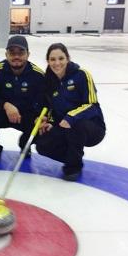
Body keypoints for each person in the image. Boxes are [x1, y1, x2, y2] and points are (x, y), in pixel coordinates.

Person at [36, 43, 106, 181]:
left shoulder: (82, 75)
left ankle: (73, 167)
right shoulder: (49, 81)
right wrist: (49, 122)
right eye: (52, 59)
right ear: (48, 61)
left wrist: (71, 117)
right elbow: (52, 108)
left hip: (91, 128)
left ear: (68, 58)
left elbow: (92, 105)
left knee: (76, 126)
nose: (57, 63)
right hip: (65, 126)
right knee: (42, 145)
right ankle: (73, 156)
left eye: (61, 58)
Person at [0, 35, 45, 164]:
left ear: (28, 54)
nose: (16, 56)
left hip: (26, 115)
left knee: (42, 123)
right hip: (3, 113)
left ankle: (25, 144)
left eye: (21, 53)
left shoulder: (38, 74)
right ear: (6, 54)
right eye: (12, 53)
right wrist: (6, 105)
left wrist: (39, 117)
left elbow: (44, 101)